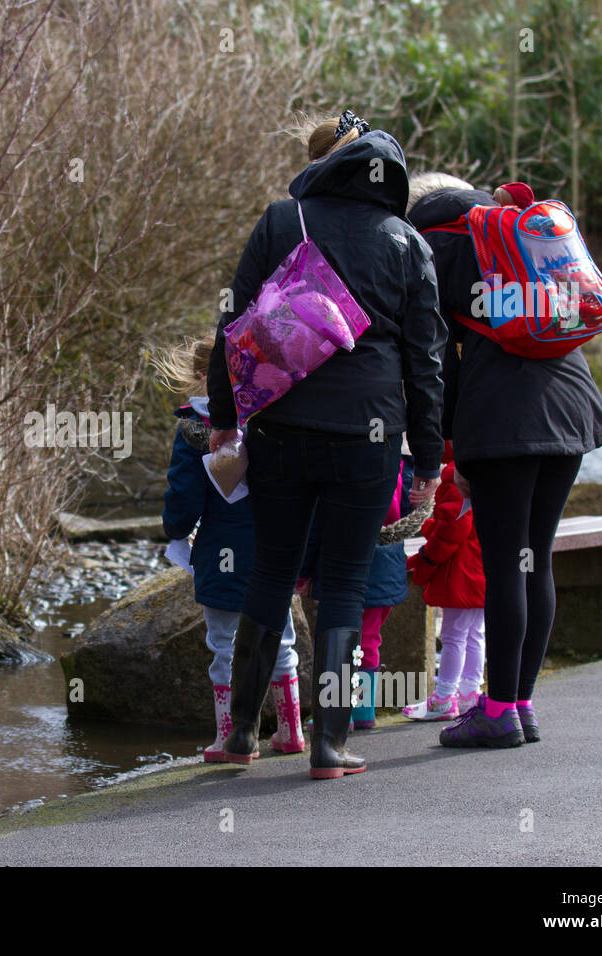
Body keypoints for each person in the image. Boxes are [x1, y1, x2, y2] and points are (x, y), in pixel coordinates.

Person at [206, 111, 446, 779]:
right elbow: (426, 365)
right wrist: (428, 463)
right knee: (342, 585)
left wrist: (226, 417)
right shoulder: (406, 242)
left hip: (281, 426)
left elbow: (233, 323)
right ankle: (330, 746)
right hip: (367, 436)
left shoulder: (284, 221)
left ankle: (239, 739)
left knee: (271, 573)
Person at [408, 176, 602, 746]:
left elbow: (435, 360)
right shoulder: (513, 233)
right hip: (572, 403)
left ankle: (497, 713)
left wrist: (449, 444)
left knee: (502, 567)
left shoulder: (434, 244)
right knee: (533, 559)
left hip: (503, 415)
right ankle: (519, 705)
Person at [157, 337, 304, 763]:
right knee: (281, 638)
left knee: (223, 644)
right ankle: (292, 731)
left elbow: (183, 499)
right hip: (274, 548)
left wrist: (175, 529)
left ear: (201, 376)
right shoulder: (270, 417)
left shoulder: (192, 427)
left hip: (221, 552)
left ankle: (230, 737)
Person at [297, 455, 413, 731]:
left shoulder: (338, 468)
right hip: (387, 564)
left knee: (339, 637)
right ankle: (363, 711)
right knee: (369, 639)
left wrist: (303, 572)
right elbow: (405, 510)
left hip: (345, 563)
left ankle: (341, 713)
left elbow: (315, 526)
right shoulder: (398, 467)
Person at [403, 441, 486, 720]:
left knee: (453, 635)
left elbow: (455, 525)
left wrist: (427, 557)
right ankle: (469, 693)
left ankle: (443, 697)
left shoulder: (454, 478)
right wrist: (430, 526)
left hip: (461, 573)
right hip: (480, 568)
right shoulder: (482, 470)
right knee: (475, 633)